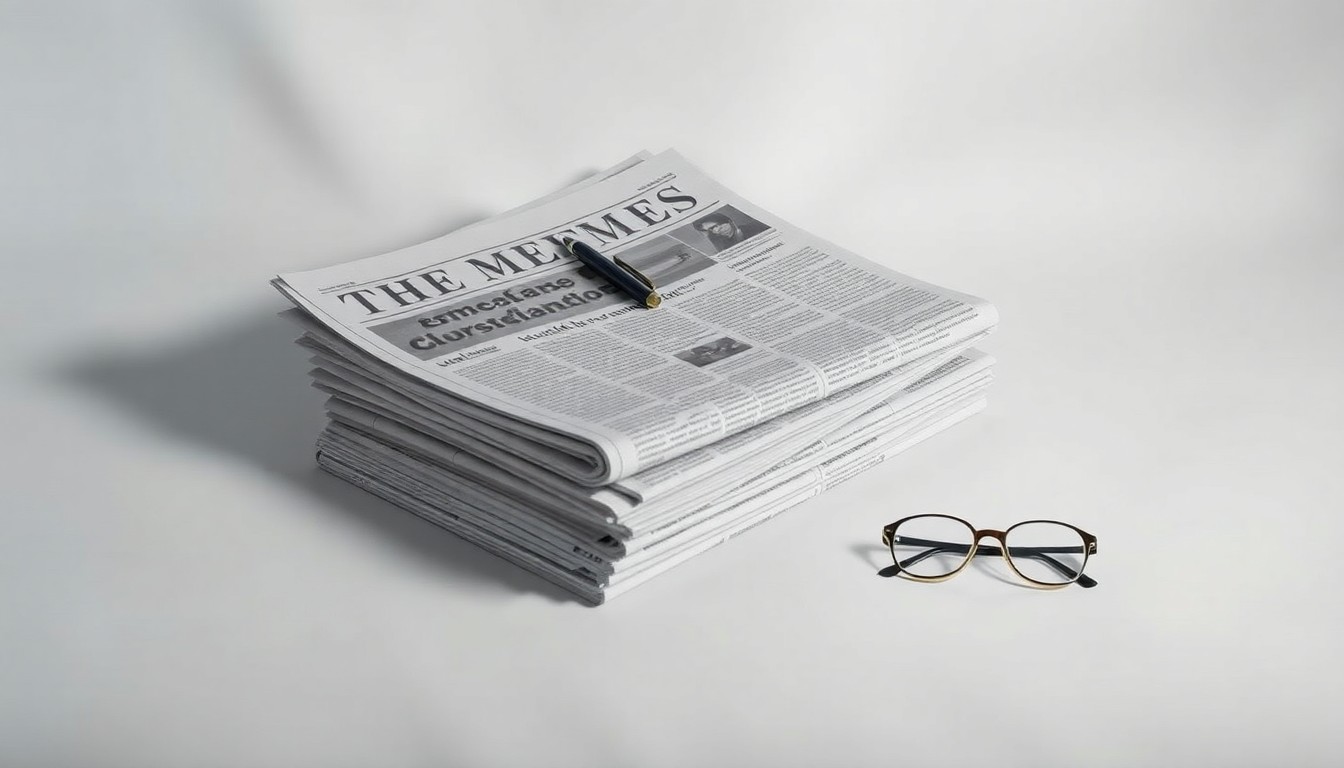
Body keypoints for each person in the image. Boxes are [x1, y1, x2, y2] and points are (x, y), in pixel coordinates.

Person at [693, 211, 769, 252]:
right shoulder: (725, 247)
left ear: (729, 221)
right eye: (710, 230)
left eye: (715, 226)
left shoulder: (756, 227)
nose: (716, 231)